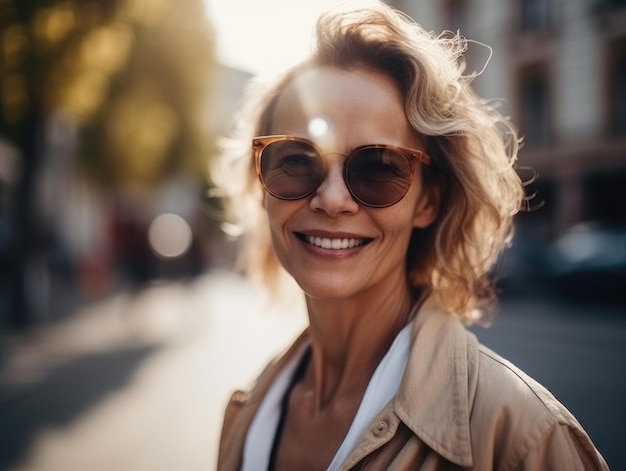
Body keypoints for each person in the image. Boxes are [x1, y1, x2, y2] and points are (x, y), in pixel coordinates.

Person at [212, 1, 609, 470]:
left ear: (428, 201)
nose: (332, 199)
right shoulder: (248, 410)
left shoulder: (521, 439)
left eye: (378, 167)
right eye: (296, 160)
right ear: (262, 183)